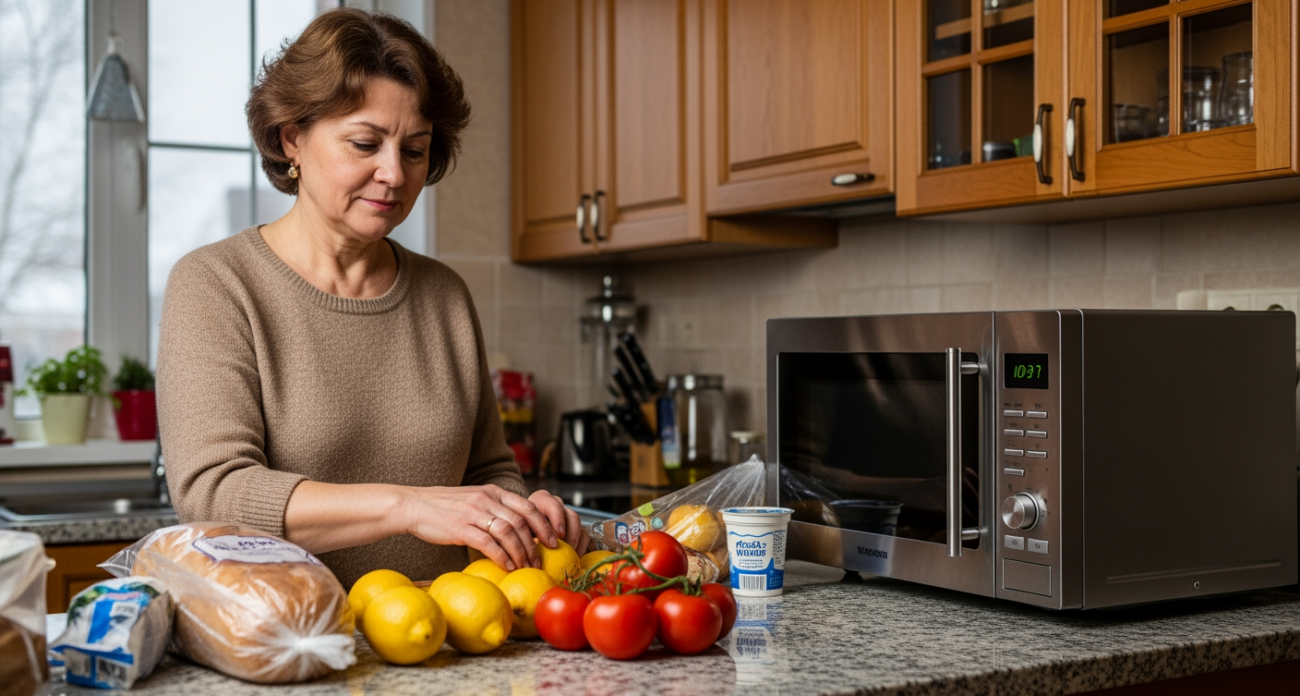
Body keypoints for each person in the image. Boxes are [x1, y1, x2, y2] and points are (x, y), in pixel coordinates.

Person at [156, 7, 587, 589]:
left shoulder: (444, 296)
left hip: (446, 640)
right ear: (292, 140)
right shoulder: (217, 284)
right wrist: (406, 507)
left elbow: (487, 472)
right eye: (365, 143)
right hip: (297, 646)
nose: (394, 174)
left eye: (414, 151)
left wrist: (521, 514)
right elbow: (214, 495)